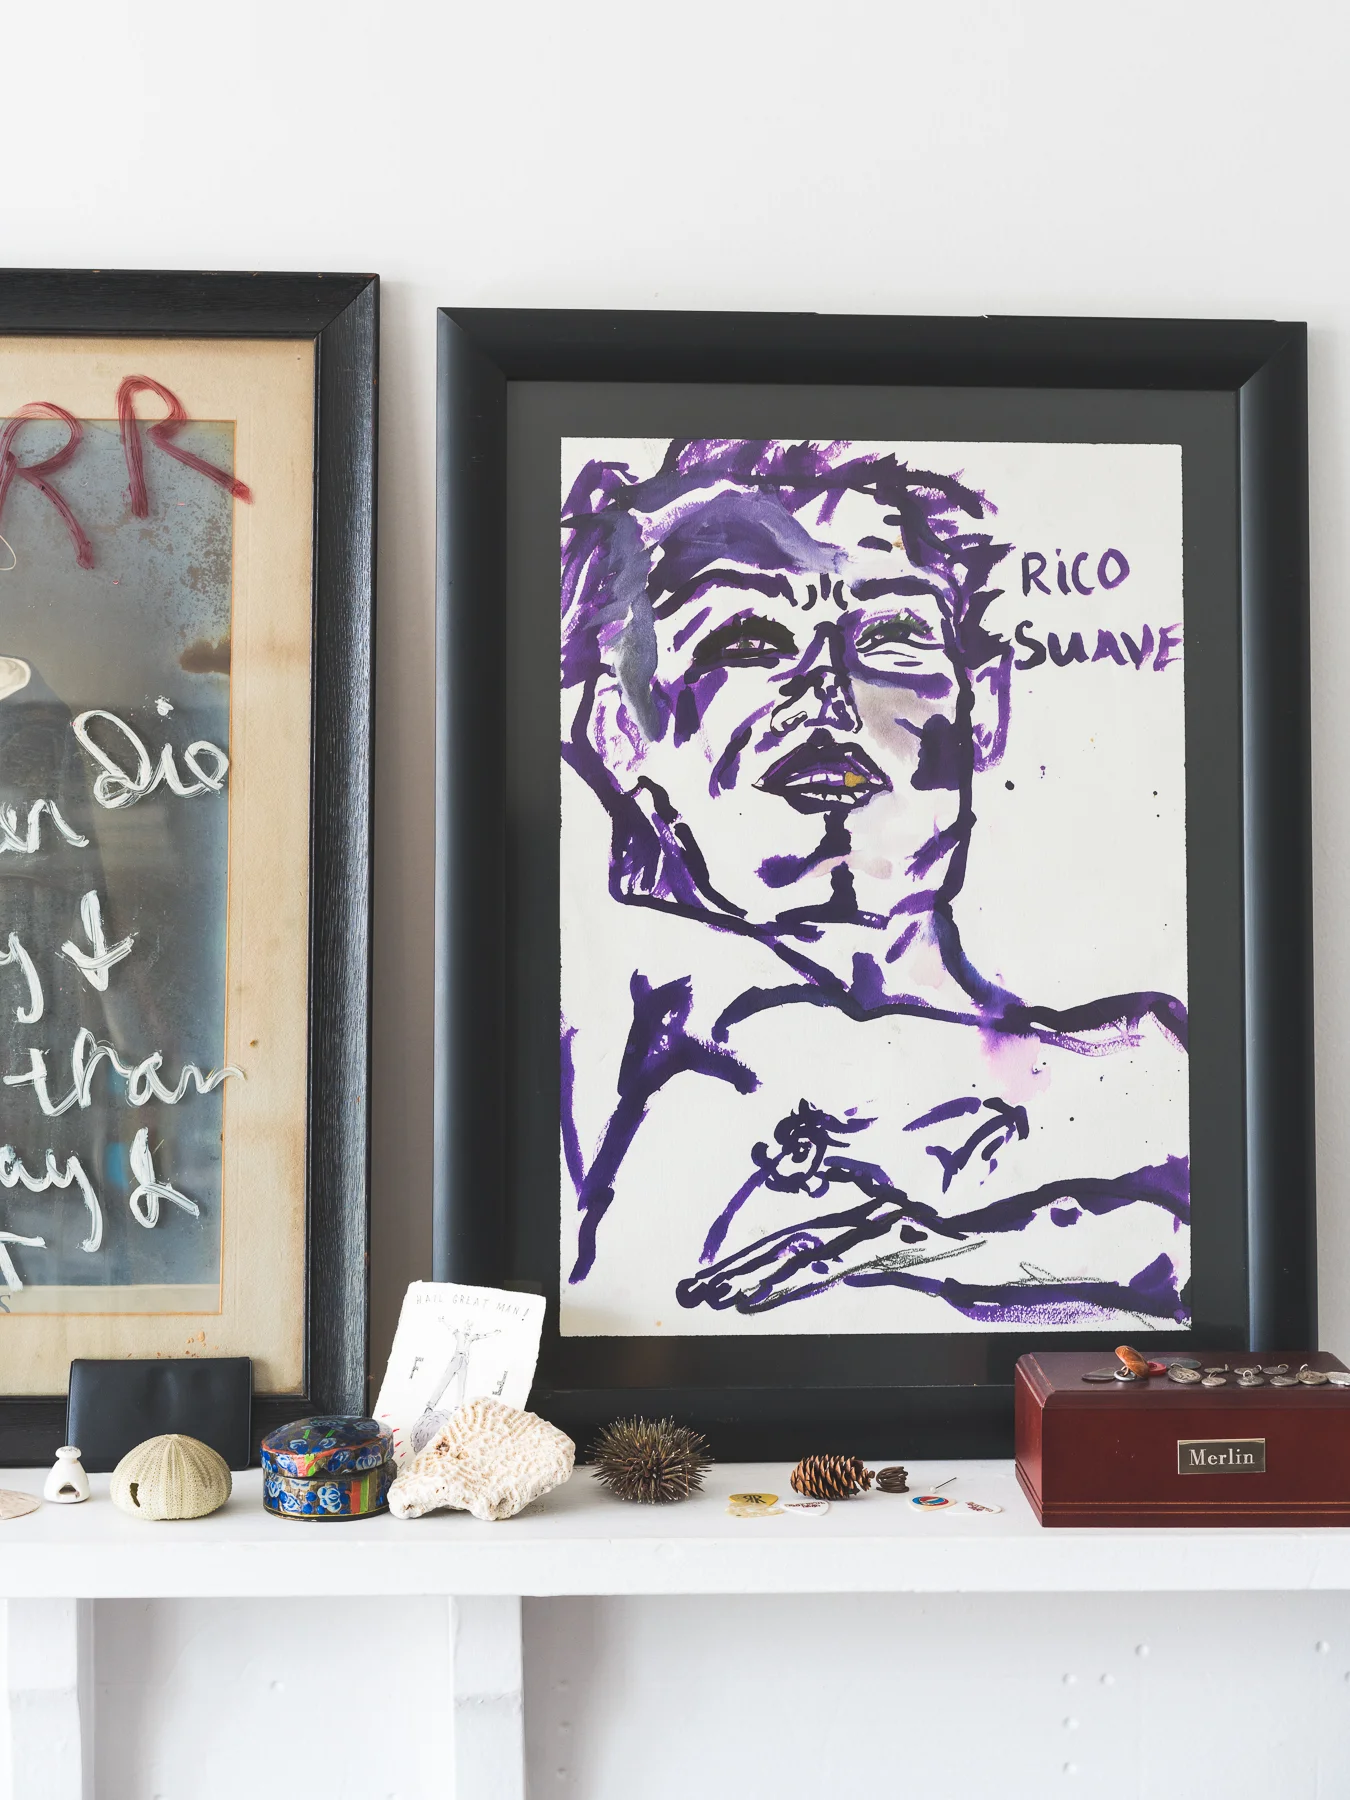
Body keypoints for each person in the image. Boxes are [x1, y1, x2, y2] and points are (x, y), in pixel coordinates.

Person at [559, 439, 1188, 1332]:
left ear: (983, 712)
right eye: (746, 640)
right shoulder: (585, 1070)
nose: (827, 690)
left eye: (894, 639)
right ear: (621, 731)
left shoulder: (1147, 1084)